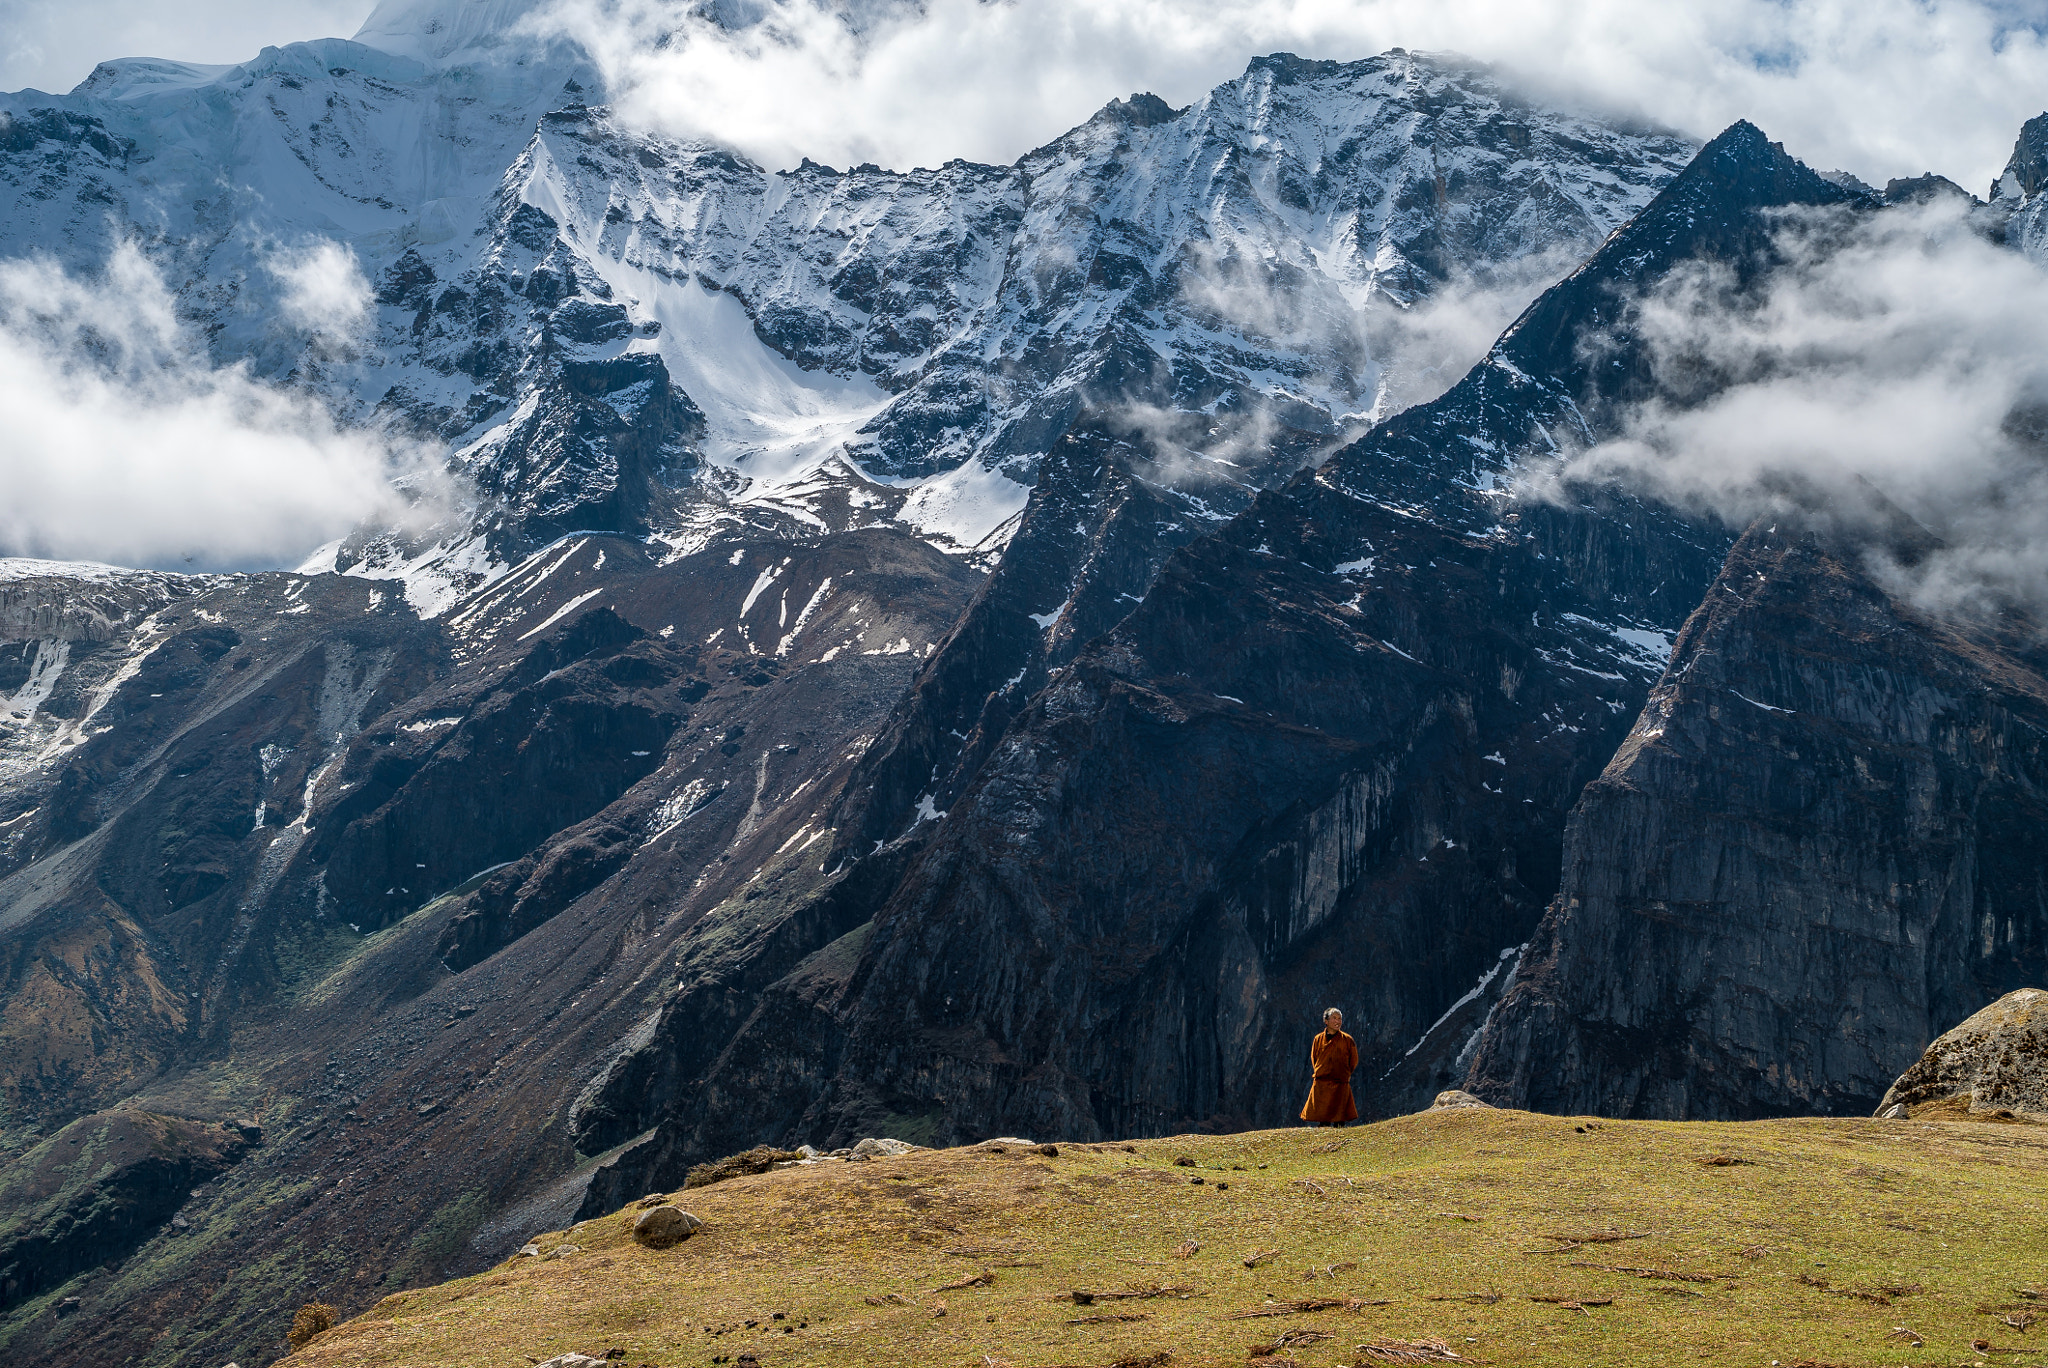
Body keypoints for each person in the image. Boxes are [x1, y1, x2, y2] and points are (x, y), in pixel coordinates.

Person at [1299, 1007, 1359, 1126]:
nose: (1338, 1021)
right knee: (1323, 1111)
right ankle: (1323, 1125)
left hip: (1340, 1080)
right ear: (1326, 1021)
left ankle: (1339, 1126)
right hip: (1323, 1080)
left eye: (1339, 1019)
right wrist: (1320, 1069)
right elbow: (1314, 1058)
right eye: (1334, 1018)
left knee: (1340, 1111)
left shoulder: (1347, 1040)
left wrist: (1345, 1073)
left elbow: (1354, 1060)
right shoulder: (1318, 1039)